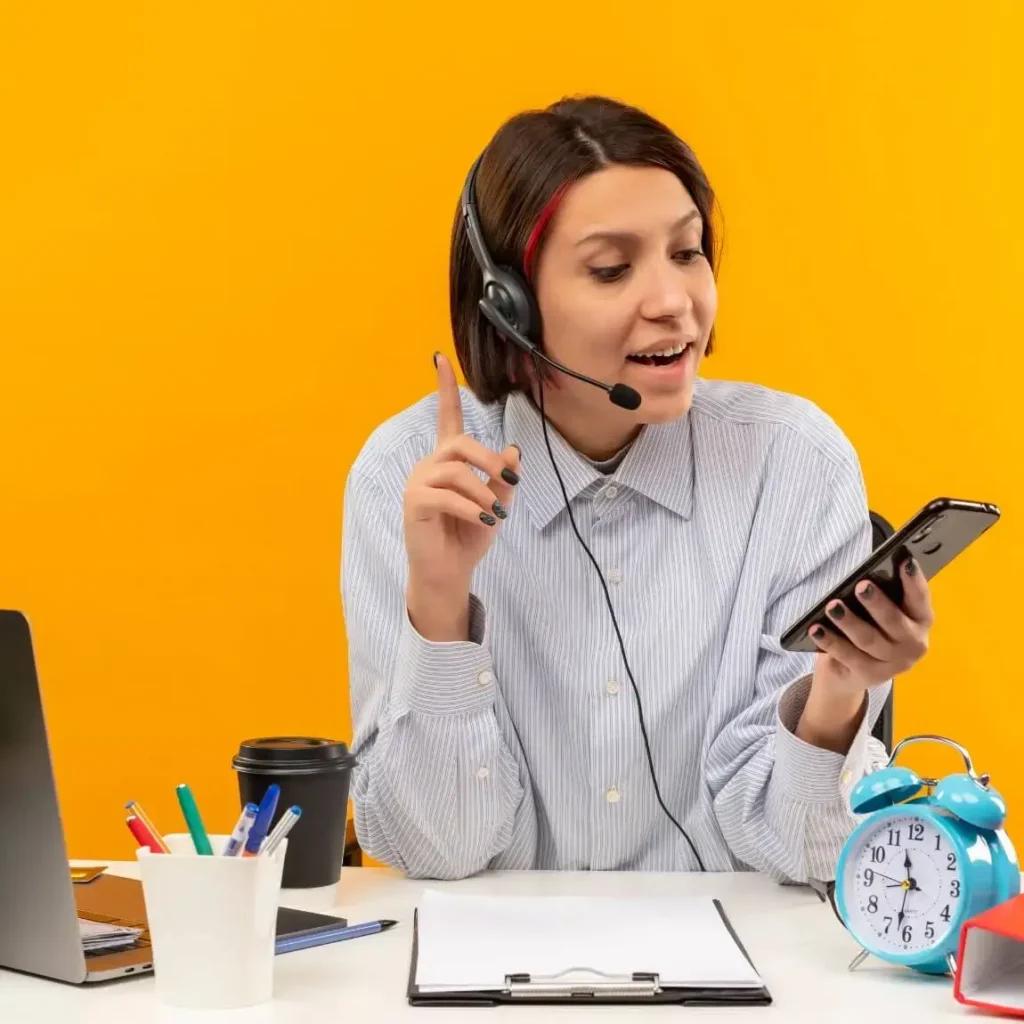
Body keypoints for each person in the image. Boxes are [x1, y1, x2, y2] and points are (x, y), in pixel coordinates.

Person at [340, 95, 933, 883]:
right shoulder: (407, 477)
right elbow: (434, 851)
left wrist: (841, 692)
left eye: (687, 252)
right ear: (509, 306)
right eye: (612, 269)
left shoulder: (795, 465)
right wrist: (441, 605)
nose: (673, 302)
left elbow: (805, 851)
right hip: (491, 960)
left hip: (735, 958)